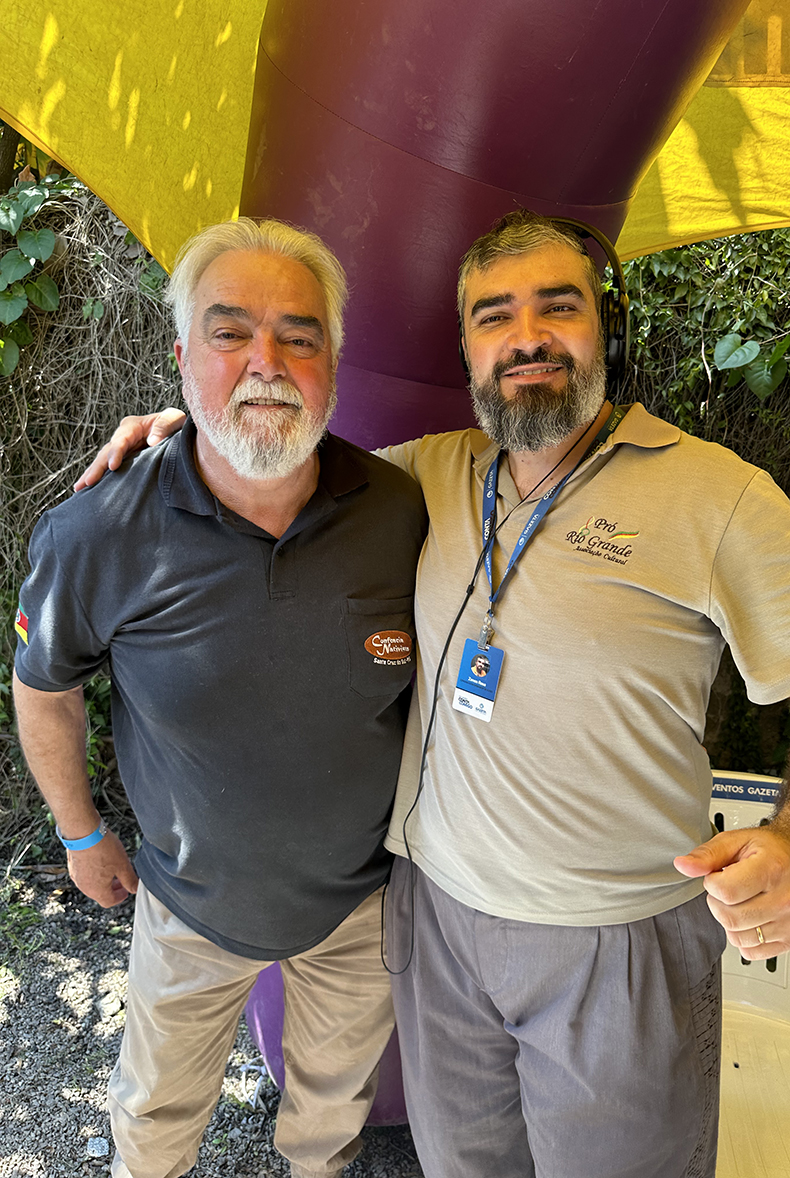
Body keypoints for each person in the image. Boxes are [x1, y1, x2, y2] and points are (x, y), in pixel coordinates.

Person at [74, 210, 790, 1178]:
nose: (526, 337)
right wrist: (186, 442)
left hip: (614, 943)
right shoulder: (423, 476)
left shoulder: (718, 497)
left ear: (608, 330)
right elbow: (272, 463)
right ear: (467, 352)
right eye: (494, 316)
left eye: (559, 307)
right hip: (435, 927)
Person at [13, 217, 427, 1178]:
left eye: (299, 335)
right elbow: (42, 686)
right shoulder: (98, 532)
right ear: (181, 357)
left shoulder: (404, 511)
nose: (266, 362)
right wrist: (79, 832)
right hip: (187, 906)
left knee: (329, 1117)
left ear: (333, 363)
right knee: (154, 1117)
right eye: (230, 331)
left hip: (359, 905)